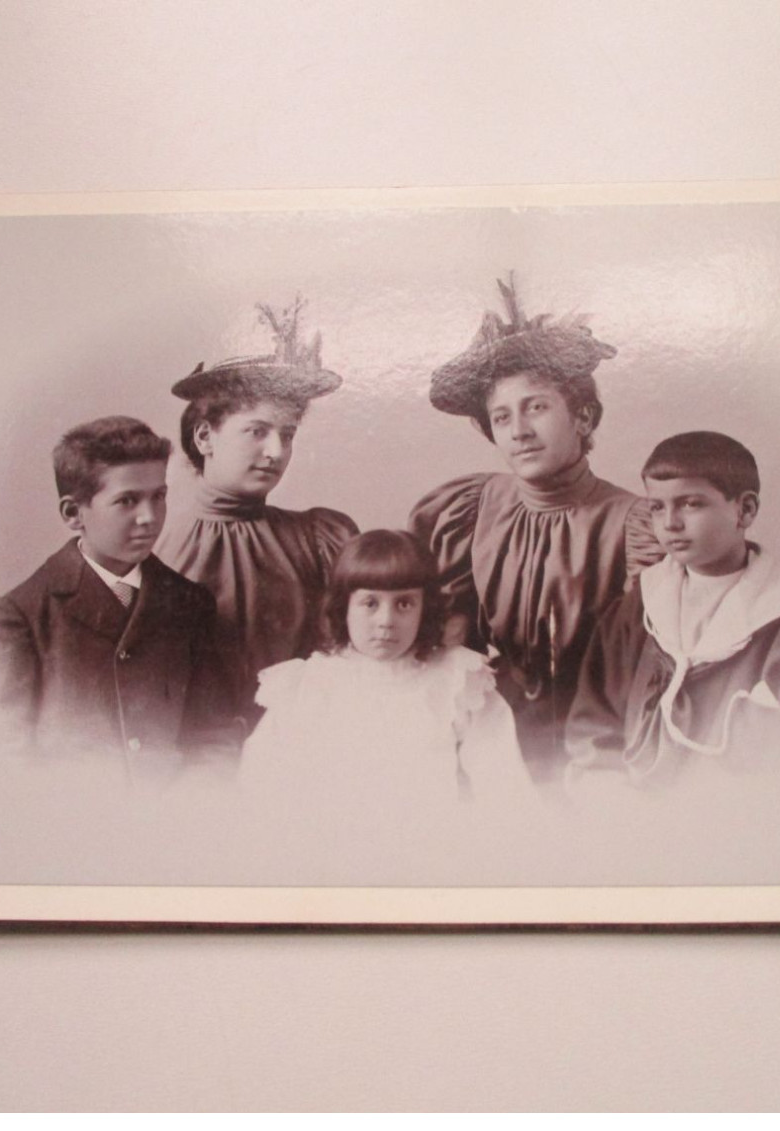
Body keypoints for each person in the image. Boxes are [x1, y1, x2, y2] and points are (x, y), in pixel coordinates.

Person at [409, 275, 663, 786]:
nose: (519, 431)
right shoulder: (468, 511)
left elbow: (645, 673)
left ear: (583, 417)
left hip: (599, 757)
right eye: (501, 418)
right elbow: (443, 654)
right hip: (489, 753)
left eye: (537, 407)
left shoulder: (636, 524)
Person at [566, 431, 780, 789]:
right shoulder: (640, 608)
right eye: (657, 507)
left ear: (745, 510)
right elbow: (594, 723)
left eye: (691, 504)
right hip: (633, 807)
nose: (670, 523)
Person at [0, 416, 245, 766]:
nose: (149, 517)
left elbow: (213, 736)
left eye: (158, 496)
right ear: (73, 513)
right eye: (127, 501)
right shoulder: (21, 616)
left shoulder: (191, 604)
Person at [240, 530, 531, 817]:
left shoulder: (455, 678)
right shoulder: (308, 684)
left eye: (404, 604)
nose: (386, 621)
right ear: (343, 608)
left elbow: (502, 777)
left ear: (425, 610)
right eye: (370, 604)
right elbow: (261, 781)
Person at [154, 299, 358, 691]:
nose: (276, 452)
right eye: (256, 431)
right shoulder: (154, 545)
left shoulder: (319, 540)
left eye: (287, 435)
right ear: (205, 436)